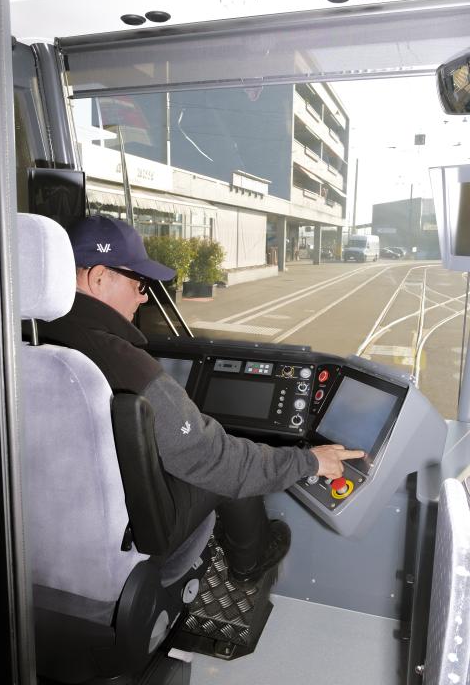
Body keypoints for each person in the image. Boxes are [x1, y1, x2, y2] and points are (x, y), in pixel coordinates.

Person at [36, 215, 364, 585]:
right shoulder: (126, 365)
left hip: (51, 517)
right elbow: (214, 461)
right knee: (225, 460)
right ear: (98, 278)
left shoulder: (22, 339)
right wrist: (308, 461)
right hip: (126, 533)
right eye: (139, 283)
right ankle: (249, 564)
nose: (144, 297)